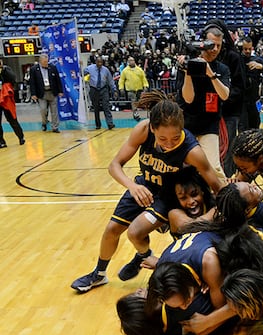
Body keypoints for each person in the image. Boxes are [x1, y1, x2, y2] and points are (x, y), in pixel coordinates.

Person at [70, 91, 224, 293]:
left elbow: (216, 184)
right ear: (152, 128)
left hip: (169, 196)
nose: (169, 144)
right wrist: (132, 186)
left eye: (175, 138)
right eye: (162, 138)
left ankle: (147, 257)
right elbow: (114, 165)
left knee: (135, 233)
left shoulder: (192, 151)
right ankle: (99, 274)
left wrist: (233, 204)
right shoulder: (142, 130)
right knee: (111, 230)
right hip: (143, 186)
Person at [175, 25, 231, 180]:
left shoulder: (222, 68)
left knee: (214, 167)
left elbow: (225, 95)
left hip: (209, 124)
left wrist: (210, 73)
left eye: (219, 46)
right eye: (212, 45)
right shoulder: (187, 64)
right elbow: (188, 98)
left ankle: (224, 200)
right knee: (183, 167)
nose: (215, 49)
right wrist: (187, 71)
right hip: (186, 123)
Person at [205, 19, 246, 179]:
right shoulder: (205, 58)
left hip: (228, 113)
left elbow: (239, 88)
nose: (214, 48)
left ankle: (228, 185)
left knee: (226, 152)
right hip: (209, 113)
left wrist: (222, 98)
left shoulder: (233, 57)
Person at [160, 166, 216, 237]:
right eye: (183, 198)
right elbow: (193, 227)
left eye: (194, 194)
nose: (191, 201)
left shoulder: (213, 201)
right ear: (177, 199)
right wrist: (216, 211)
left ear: (202, 191)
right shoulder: (174, 214)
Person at [239, 36, 263, 131]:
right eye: (245, 49)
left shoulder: (257, 60)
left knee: (255, 127)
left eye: (249, 49)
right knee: (243, 128)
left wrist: (261, 67)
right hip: (241, 101)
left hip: (254, 100)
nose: (247, 51)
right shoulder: (237, 60)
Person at [29, 53, 63, 133]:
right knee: (43, 109)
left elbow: (58, 80)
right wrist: (33, 94)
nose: (46, 63)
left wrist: (60, 91)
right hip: (42, 93)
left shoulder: (53, 68)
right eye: (44, 62)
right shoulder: (34, 69)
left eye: (47, 62)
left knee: (54, 111)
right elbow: (32, 82)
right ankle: (44, 122)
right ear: (40, 61)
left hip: (52, 91)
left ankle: (55, 127)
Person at [84, 56, 116, 130]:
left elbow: (110, 81)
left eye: (101, 62)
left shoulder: (106, 70)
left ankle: (110, 123)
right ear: (96, 62)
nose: (100, 64)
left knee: (106, 106)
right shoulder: (89, 68)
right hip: (94, 89)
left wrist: (114, 90)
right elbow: (82, 73)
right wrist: (80, 65)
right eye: (98, 62)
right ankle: (98, 124)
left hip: (103, 89)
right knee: (96, 108)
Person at [0, 58, 25, 148]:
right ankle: (1, 141)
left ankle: (21, 137)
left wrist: (3, 70)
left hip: (6, 98)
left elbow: (13, 79)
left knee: (12, 119)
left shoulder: (6, 70)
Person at [118, 56, 149, 122]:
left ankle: (139, 112)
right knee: (133, 101)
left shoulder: (139, 70)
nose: (131, 62)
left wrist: (145, 86)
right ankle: (136, 113)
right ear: (128, 62)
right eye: (130, 61)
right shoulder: (125, 71)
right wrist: (121, 88)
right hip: (130, 89)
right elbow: (121, 80)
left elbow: (143, 78)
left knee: (139, 101)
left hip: (139, 89)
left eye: (132, 60)